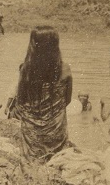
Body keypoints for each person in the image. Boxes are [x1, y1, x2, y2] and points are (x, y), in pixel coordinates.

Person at [10, 26, 73, 162]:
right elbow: (67, 100)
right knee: (55, 163)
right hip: (56, 128)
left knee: (32, 164)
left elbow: (20, 100)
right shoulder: (65, 69)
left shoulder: (26, 69)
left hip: (32, 131)